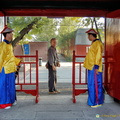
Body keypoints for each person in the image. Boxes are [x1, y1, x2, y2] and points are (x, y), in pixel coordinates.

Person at [0, 25, 21, 109]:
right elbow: (0, 58)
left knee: (11, 85)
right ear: (7, 34)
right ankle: (4, 103)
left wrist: (18, 61)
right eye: (11, 34)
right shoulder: (3, 45)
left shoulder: (9, 45)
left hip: (10, 69)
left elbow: (10, 58)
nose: (12, 35)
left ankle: (11, 101)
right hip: (5, 69)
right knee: (4, 86)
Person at [83, 28, 104, 108]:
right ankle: (93, 101)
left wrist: (96, 67)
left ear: (92, 35)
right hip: (92, 67)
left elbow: (98, 56)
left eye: (88, 36)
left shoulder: (97, 44)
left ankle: (96, 102)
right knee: (92, 84)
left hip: (94, 68)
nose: (88, 37)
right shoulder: (94, 43)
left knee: (95, 85)